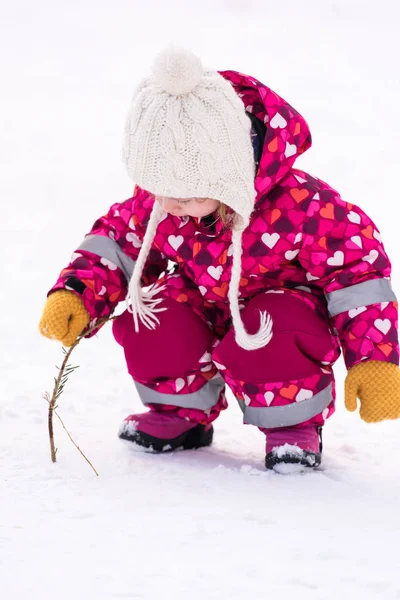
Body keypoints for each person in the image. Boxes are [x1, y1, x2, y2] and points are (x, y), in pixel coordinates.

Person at [39, 47, 400, 471]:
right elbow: (117, 243)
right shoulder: (164, 203)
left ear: (227, 175)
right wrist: (77, 294)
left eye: (186, 194)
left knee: (276, 324)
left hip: (276, 313)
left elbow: (358, 277)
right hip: (203, 305)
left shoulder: (304, 208)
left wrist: (376, 358)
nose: (169, 204)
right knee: (152, 312)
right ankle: (180, 414)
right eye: (158, 188)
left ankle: (292, 426)